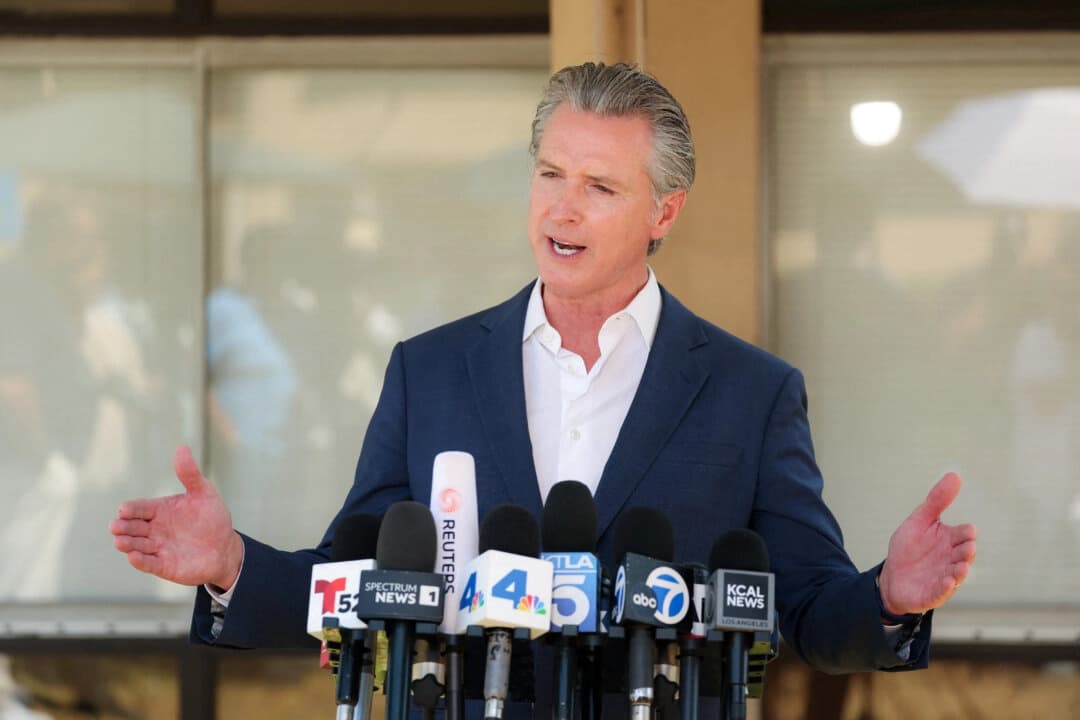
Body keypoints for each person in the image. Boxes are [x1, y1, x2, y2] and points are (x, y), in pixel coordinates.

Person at [109, 62, 977, 715]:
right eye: (551, 174)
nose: (562, 209)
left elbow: (810, 612)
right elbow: (360, 584)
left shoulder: (752, 391)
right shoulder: (432, 367)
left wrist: (890, 597)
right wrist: (233, 567)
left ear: (663, 214)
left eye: (600, 187)